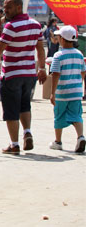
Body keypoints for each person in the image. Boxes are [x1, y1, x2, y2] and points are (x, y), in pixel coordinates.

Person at [0, 0, 47, 154]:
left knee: (11, 110)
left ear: (18, 8)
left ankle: (14, 144)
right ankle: (27, 132)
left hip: (12, 74)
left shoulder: (12, 26)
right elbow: (40, 49)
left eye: (8, 7)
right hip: (29, 74)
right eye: (4, 6)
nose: (5, 10)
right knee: (24, 105)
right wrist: (41, 69)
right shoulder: (36, 25)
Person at [47, 25, 85, 153]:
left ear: (62, 39)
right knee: (77, 115)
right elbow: (83, 73)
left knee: (59, 116)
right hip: (76, 92)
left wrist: (52, 93)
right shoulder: (80, 55)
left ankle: (58, 141)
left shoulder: (58, 55)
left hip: (62, 93)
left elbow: (55, 75)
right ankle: (80, 137)